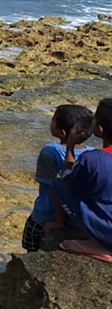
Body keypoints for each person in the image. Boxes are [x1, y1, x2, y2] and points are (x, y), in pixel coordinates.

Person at [22, 104, 94, 252]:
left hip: (45, 217)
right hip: (77, 221)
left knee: (32, 250)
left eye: (53, 120)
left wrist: (58, 220)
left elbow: (53, 187)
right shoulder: (93, 154)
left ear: (61, 132)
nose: (50, 123)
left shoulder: (50, 151)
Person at [56, 97, 112, 262]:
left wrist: (70, 146)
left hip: (108, 235)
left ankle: (99, 245)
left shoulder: (93, 159)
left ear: (100, 129)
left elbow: (68, 182)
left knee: (59, 183)